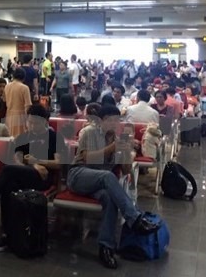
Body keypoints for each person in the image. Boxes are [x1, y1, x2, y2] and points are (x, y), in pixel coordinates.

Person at [0, 105, 66, 252]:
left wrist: (38, 162)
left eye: (36, 123)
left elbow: (58, 163)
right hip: (26, 173)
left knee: (7, 171)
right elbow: (17, 159)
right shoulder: (23, 137)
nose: (32, 126)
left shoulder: (55, 137)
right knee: (8, 186)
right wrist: (33, 165)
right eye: (30, 122)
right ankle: (7, 235)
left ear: (46, 121)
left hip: (43, 178)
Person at [67, 105, 160, 269]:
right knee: (108, 176)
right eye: (112, 120)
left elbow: (125, 171)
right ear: (102, 121)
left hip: (101, 183)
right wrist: (112, 148)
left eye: (118, 121)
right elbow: (86, 158)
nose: (116, 124)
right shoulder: (90, 132)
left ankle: (106, 247)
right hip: (79, 175)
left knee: (110, 198)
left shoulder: (117, 139)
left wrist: (125, 153)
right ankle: (135, 218)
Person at [4, 67, 32, 137]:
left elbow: (4, 100)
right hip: (20, 115)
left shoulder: (7, 86)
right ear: (23, 76)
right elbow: (28, 105)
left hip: (9, 114)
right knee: (20, 138)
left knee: (10, 136)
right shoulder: (24, 88)